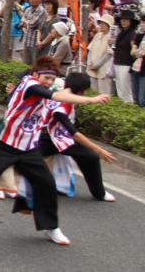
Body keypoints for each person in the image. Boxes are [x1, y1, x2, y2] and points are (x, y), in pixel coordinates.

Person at [0, 57, 111, 246]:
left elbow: (57, 98)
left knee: (46, 184)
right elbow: (58, 97)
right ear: (35, 75)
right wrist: (91, 100)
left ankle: (51, 227)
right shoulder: (30, 85)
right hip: (5, 145)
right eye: (46, 78)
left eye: (52, 79)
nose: (49, 82)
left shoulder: (44, 90)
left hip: (28, 149)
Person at [38, 73, 117, 202]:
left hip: (59, 137)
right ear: (81, 91)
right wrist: (99, 150)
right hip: (49, 138)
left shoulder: (59, 90)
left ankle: (99, 192)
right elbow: (75, 134)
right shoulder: (61, 105)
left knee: (89, 157)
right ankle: (3, 184)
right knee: (22, 159)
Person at [113, 10, 138, 103]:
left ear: (131, 21)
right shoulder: (120, 34)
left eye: (126, 20)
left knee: (126, 91)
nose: (123, 22)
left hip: (126, 65)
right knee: (120, 90)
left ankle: (129, 112)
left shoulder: (133, 34)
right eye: (122, 19)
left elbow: (134, 48)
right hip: (117, 63)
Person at [87, 14, 115, 94]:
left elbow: (108, 53)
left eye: (104, 24)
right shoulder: (97, 35)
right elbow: (90, 49)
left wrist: (97, 65)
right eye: (100, 23)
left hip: (104, 68)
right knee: (93, 92)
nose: (101, 25)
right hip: (92, 68)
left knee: (104, 92)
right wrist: (89, 62)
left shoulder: (111, 37)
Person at [21, 0, 46, 65]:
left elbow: (33, 23)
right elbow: (21, 21)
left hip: (36, 43)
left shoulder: (42, 11)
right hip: (27, 40)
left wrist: (26, 22)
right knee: (25, 65)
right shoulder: (28, 9)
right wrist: (26, 22)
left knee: (35, 65)